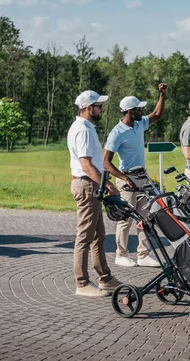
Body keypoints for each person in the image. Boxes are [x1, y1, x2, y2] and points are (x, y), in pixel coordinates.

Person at [103, 83, 167, 268]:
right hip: (127, 179)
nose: (142, 111)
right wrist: (124, 178)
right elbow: (106, 161)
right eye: (139, 109)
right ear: (130, 111)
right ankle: (121, 254)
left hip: (142, 177)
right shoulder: (116, 133)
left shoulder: (140, 124)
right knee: (126, 219)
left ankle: (143, 254)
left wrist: (162, 95)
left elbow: (157, 114)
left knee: (146, 217)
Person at [67, 90, 121, 297]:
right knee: (85, 236)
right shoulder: (83, 130)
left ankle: (105, 278)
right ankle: (82, 283)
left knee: (98, 235)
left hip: (89, 185)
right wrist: (108, 185)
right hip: (87, 185)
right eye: (98, 106)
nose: (101, 109)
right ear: (89, 108)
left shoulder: (85, 127)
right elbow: (86, 165)